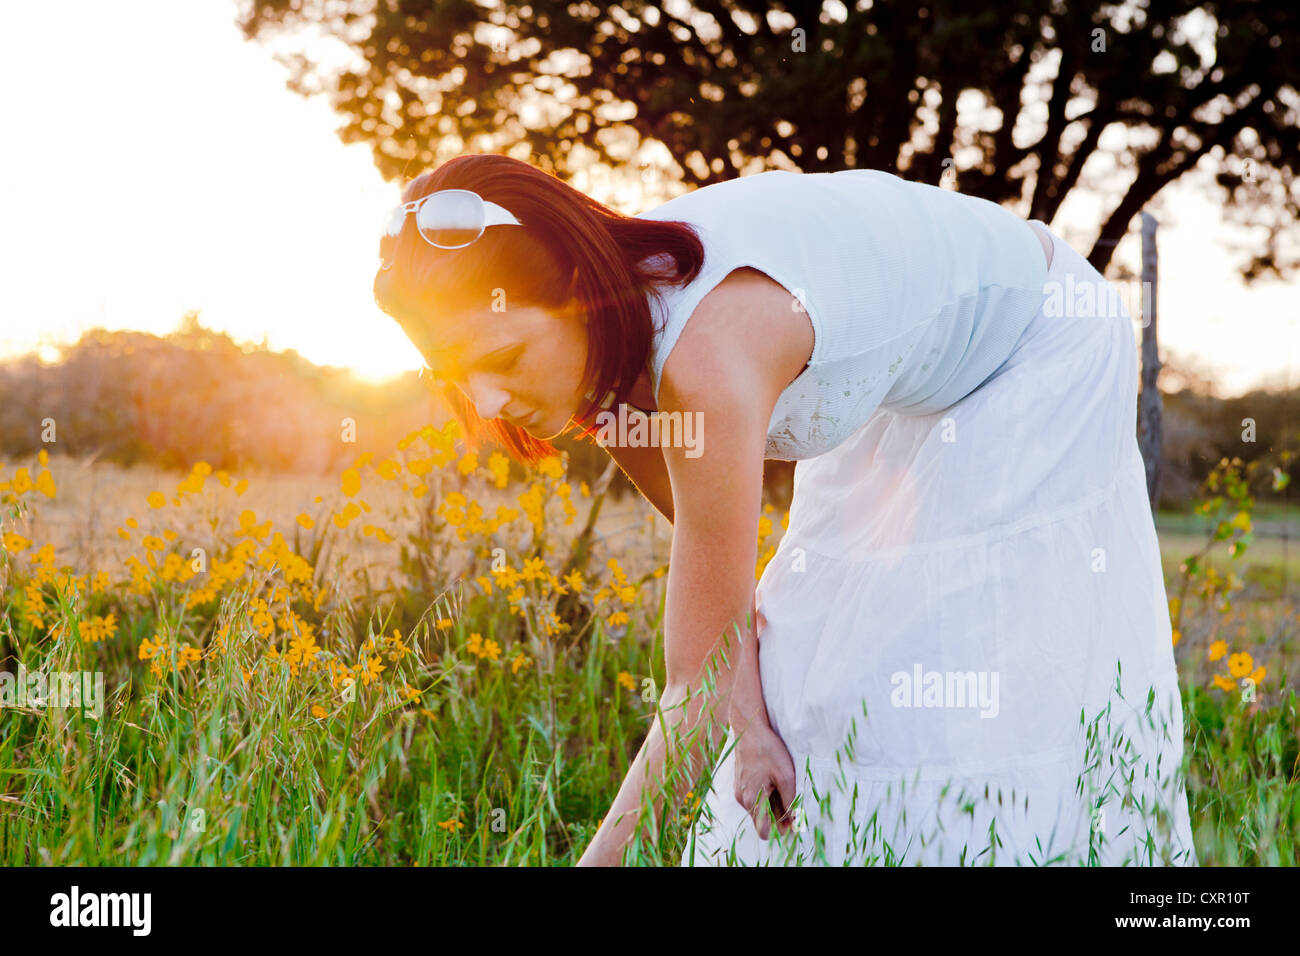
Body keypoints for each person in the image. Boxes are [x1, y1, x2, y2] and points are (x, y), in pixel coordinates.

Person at [373, 153, 1197, 866]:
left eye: (503, 357)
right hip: (899, 374)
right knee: (812, 668)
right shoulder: (605, 368)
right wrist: (751, 725)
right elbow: (723, 608)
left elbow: (688, 689)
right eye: (451, 374)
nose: (485, 399)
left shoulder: (710, 359)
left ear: (579, 292)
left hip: (1033, 340)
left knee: (946, 670)